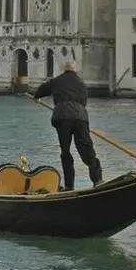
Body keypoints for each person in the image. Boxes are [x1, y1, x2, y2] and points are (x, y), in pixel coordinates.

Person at [31, 60, 103, 190]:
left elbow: (42, 89)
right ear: (76, 70)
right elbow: (83, 102)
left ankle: (70, 186)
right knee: (86, 148)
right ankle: (97, 179)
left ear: (65, 69)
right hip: (80, 117)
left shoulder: (57, 81)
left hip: (62, 117)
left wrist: (37, 97)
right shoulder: (82, 84)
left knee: (66, 152)